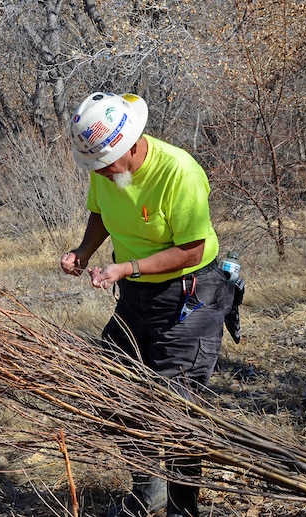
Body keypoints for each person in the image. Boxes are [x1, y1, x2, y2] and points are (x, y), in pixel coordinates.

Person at [60, 92, 236, 517]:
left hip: (191, 294)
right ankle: (148, 490)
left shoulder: (179, 172)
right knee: (115, 387)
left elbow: (191, 251)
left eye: (106, 163)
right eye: (96, 166)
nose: (101, 172)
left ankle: (182, 507)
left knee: (178, 407)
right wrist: (83, 251)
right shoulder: (106, 170)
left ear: (132, 145)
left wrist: (126, 268)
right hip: (137, 295)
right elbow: (101, 213)